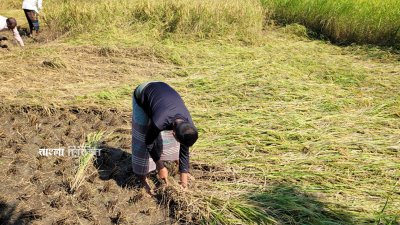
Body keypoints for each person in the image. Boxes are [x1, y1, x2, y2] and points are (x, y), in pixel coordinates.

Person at [132, 81, 198, 192]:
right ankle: (142, 178)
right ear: (173, 133)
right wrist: (160, 167)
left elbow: (185, 149)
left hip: (163, 93)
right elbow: (148, 142)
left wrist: (184, 181)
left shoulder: (188, 125)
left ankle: (181, 170)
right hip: (143, 92)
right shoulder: (160, 121)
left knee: (164, 140)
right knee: (143, 135)